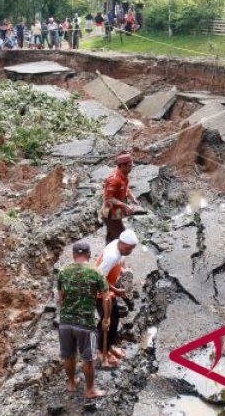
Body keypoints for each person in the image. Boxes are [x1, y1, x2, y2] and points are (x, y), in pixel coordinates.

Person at [57, 240, 108, 400]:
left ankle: (72, 383)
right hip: (86, 324)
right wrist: (106, 318)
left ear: (73, 255)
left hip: (65, 322)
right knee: (88, 358)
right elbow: (106, 299)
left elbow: (61, 297)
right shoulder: (96, 272)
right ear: (89, 255)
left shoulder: (63, 271)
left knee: (69, 355)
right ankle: (90, 390)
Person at [95, 229, 138, 367]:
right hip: (99, 291)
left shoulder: (119, 247)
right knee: (107, 321)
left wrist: (123, 270)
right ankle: (102, 352)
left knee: (115, 319)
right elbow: (98, 277)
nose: (129, 252)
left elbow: (122, 260)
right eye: (127, 249)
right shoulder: (111, 256)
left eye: (131, 250)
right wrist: (115, 290)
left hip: (109, 289)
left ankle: (109, 346)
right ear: (121, 242)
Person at [102, 152, 140, 242]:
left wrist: (132, 197)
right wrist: (125, 206)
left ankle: (108, 252)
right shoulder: (114, 180)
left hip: (117, 211)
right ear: (122, 166)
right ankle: (119, 252)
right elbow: (109, 198)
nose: (131, 168)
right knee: (122, 237)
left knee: (111, 236)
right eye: (129, 166)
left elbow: (126, 187)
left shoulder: (124, 175)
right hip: (110, 213)